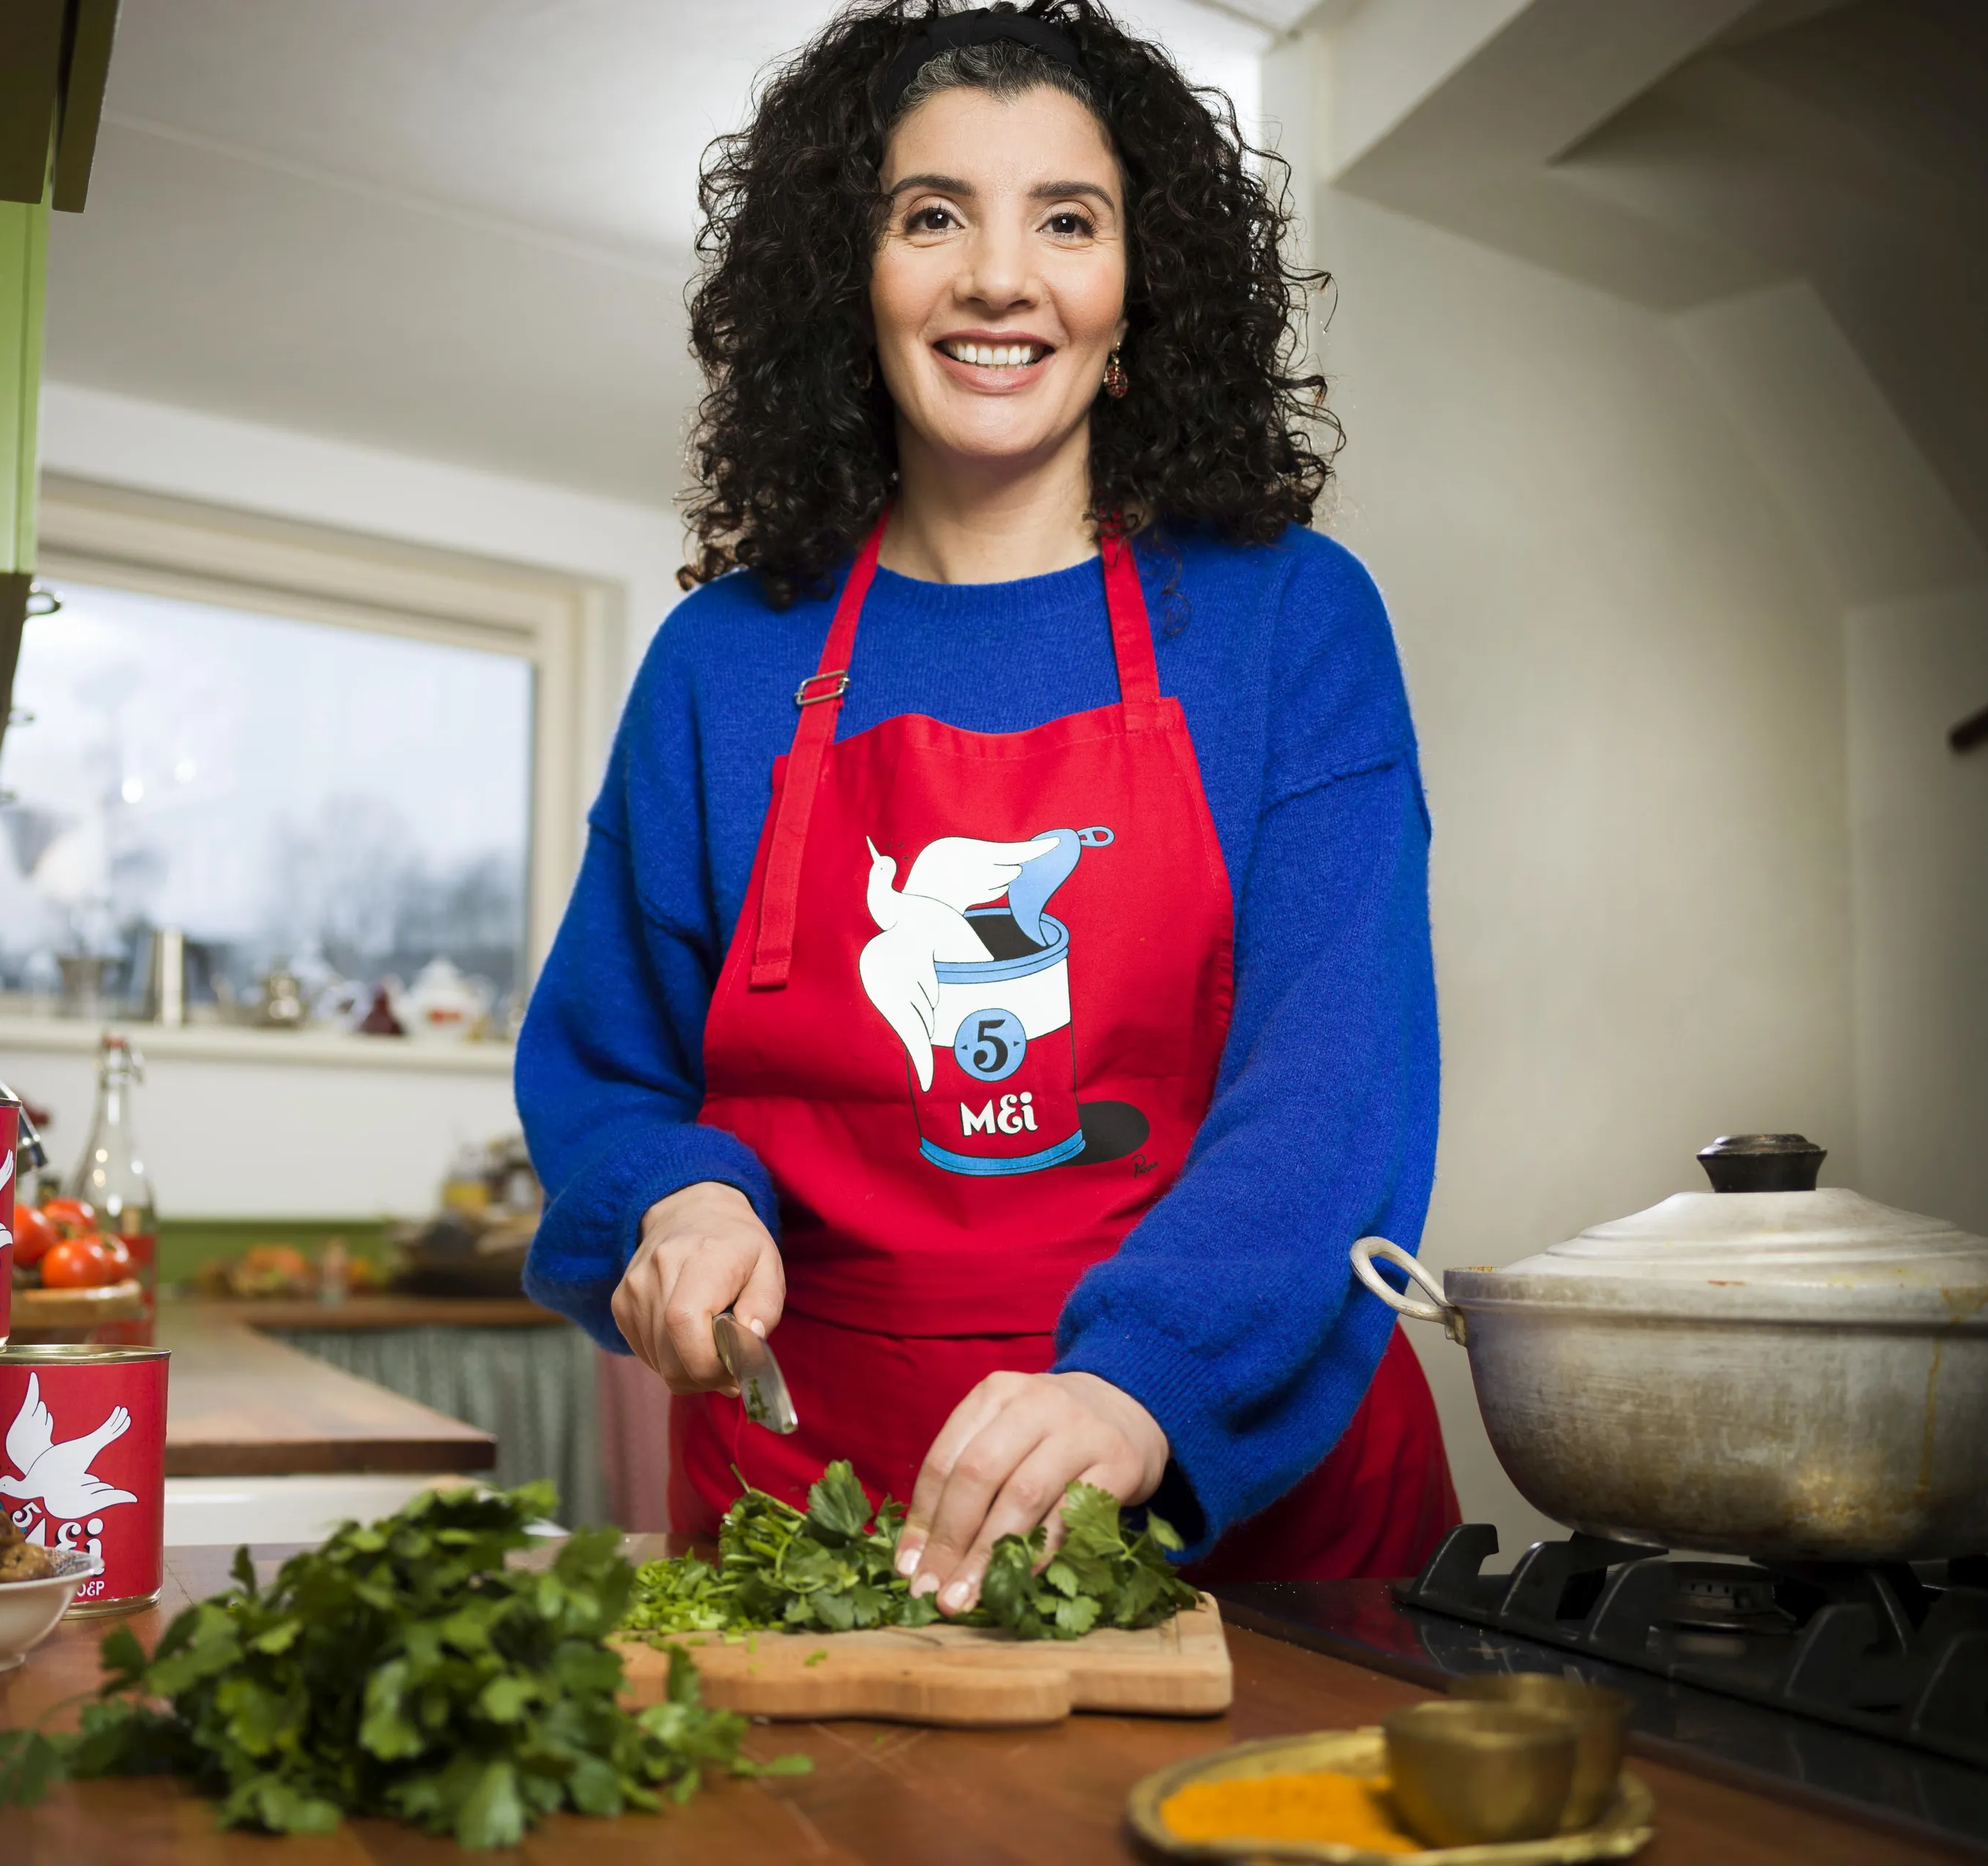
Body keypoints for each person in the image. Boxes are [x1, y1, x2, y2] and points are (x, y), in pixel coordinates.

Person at [516, 0, 1458, 1606]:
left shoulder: (1290, 620)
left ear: (1135, 285)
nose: (998, 278)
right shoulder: (720, 663)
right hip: (821, 1502)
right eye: (930, 214)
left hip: (1229, 1485)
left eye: (1067, 220)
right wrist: (675, 1193)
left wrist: (1140, 1382)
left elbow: (1335, 1088)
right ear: (846, 270)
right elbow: (606, 1071)